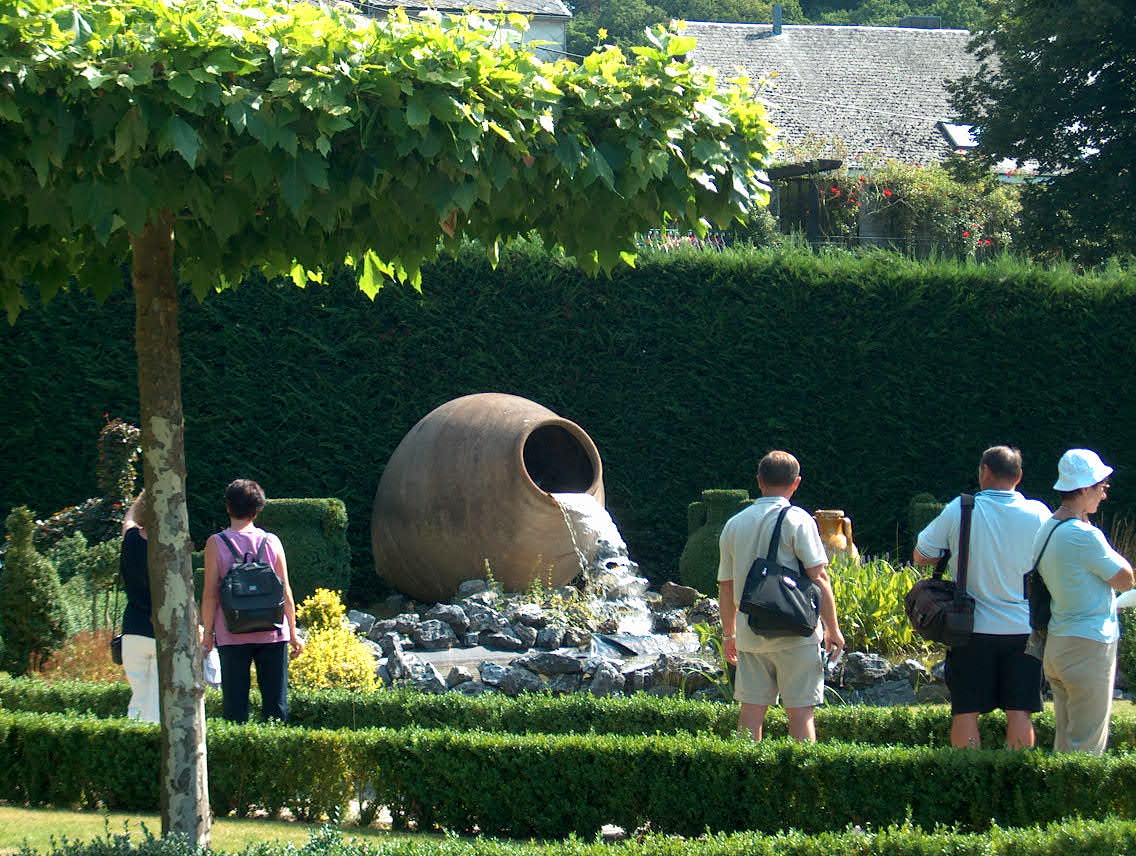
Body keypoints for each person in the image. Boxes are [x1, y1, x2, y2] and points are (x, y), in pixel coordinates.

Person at [913, 446, 1051, 749]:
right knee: (1020, 712)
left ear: (984, 472)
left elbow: (922, 554)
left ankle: (968, 773)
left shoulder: (961, 508)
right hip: (1024, 629)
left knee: (965, 712)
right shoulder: (1039, 513)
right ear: (1019, 476)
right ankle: (1015, 774)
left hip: (970, 627)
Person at [717, 450, 844, 741]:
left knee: (750, 712)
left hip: (750, 631)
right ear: (796, 483)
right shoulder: (798, 519)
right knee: (801, 713)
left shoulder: (734, 523)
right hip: (796, 632)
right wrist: (832, 629)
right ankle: (802, 769)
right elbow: (819, 577)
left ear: (759, 481)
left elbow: (726, 586)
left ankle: (745, 768)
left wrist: (728, 634)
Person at [1036, 448, 1134, 754]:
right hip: (1088, 644)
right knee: (1088, 746)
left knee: (1066, 745)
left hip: (1059, 642)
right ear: (1084, 488)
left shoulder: (1048, 528)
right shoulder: (1085, 536)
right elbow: (1126, 579)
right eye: (1101, 486)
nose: (1104, 494)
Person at [201, 479, 303, 722]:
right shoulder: (272, 541)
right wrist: (293, 631)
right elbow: (285, 591)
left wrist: (208, 633)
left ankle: (238, 746)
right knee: (276, 707)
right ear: (258, 509)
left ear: (228, 507)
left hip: (231, 631)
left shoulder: (216, 543)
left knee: (235, 707)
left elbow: (210, 593)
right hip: (272, 631)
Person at [119, 491, 159, 723]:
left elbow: (128, 520)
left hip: (133, 628)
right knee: (158, 700)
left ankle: (134, 737)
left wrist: (141, 499)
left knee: (138, 698)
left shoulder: (131, 539)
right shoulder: (168, 547)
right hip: (161, 629)